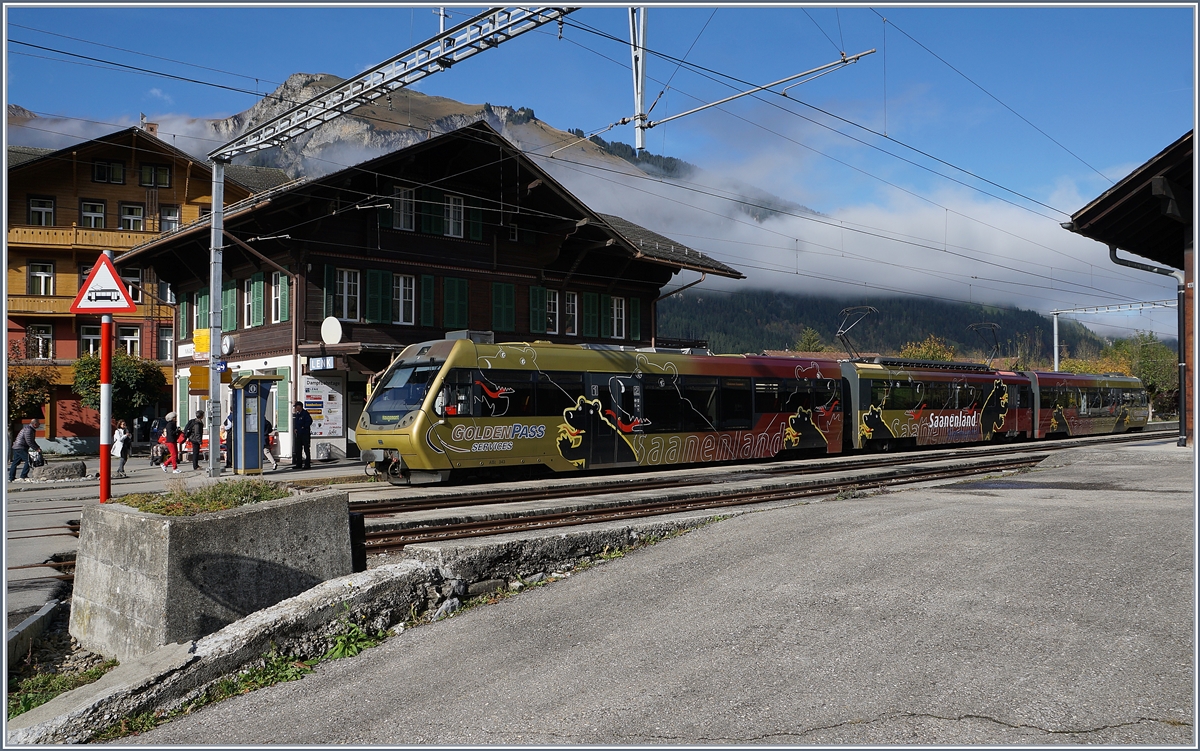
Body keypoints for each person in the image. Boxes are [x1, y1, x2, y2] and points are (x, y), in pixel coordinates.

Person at [292, 401, 313, 469]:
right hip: (299, 434)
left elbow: (309, 421)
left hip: (305, 434)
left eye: (296, 407)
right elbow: (297, 423)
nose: (295, 408)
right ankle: (299, 464)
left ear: (299, 406)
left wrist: (303, 427)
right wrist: (295, 428)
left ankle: (307, 464)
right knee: (298, 449)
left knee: (306, 449)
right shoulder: (298, 414)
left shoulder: (305, 413)